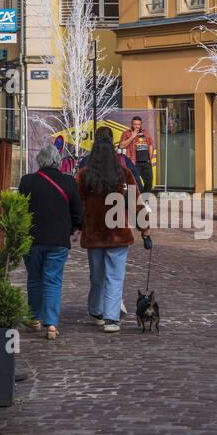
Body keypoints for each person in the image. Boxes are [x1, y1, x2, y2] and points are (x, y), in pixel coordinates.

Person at [18, 145, 83, 340]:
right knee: (53, 280)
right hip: (58, 240)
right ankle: (52, 324)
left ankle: (35, 318)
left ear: (40, 161)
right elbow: (77, 212)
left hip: (32, 239)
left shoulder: (27, 181)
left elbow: (19, 210)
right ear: (58, 161)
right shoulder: (68, 182)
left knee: (34, 279)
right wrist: (75, 228)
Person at [77, 126, 137, 332]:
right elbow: (135, 202)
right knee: (115, 275)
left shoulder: (84, 175)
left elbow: (78, 202)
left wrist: (77, 226)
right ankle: (112, 318)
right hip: (117, 232)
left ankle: (96, 310)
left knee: (97, 275)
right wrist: (145, 229)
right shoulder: (124, 174)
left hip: (94, 232)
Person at [118, 116, 155, 196]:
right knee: (137, 184)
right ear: (131, 124)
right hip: (134, 162)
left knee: (149, 183)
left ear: (141, 124)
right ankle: (137, 200)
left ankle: (145, 200)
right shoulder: (127, 133)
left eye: (138, 124)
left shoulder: (145, 132)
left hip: (146, 162)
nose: (136, 126)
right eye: (134, 124)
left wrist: (150, 159)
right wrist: (132, 137)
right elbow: (121, 146)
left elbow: (151, 145)